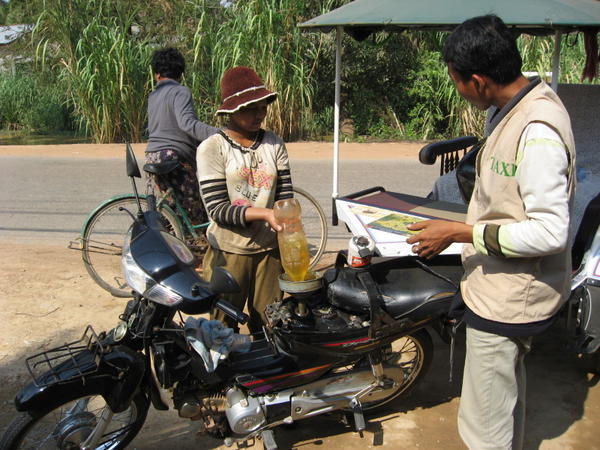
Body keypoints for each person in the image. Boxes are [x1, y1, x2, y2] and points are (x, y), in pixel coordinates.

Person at [406, 15, 576, 450]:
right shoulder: (514, 108)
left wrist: (462, 233)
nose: (458, 89)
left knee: (485, 424)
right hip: (499, 286)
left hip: (510, 298)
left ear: (478, 80)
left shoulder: (537, 129)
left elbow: (549, 232)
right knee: (502, 403)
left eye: (457, 81)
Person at [196, 66, 293, 334]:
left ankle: (266, 374)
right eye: (249, 109)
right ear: (230, 111)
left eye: (261, 107)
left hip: (268, 251)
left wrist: (287, 226)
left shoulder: (274, 143)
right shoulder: (213, 148)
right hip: (230, 252)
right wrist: (265, 215)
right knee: (221, 327)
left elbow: (285, 196)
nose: (258, 114)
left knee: (270, 322)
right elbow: (217, 209)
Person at [145, 47, 219, 225]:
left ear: (157, 75)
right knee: (194, 215)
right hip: (174, 158)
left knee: (163, 213)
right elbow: (188, 124)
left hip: (152, 156)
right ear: (180, 74)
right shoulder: (181, 92)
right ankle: (196, 247)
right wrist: (222, 133)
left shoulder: (153, 95)